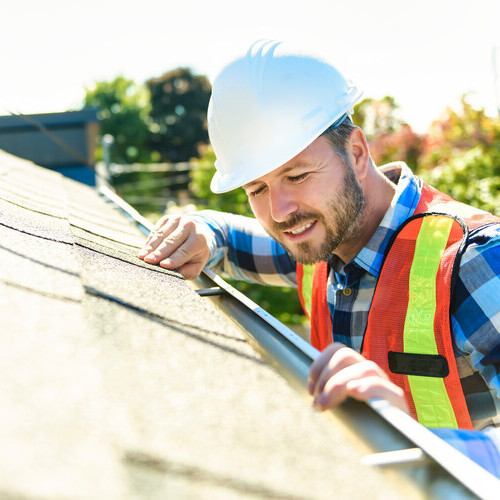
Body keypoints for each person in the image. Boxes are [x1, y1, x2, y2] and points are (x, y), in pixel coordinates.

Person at [139, 40, 500, 434]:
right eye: (256, 189)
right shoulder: (322, 245)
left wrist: (419, 440)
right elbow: (228, 238)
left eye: (297, 176)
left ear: (358, 154)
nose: (279, 211)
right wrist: (203, 229)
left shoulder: (475, 262)